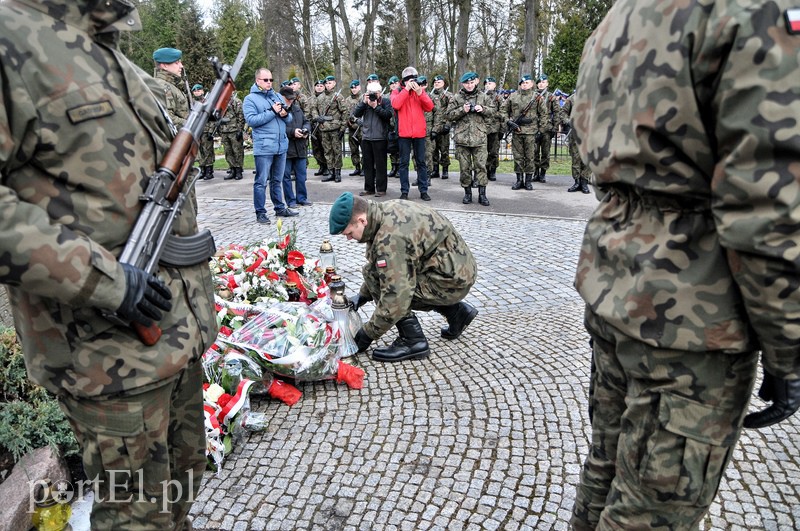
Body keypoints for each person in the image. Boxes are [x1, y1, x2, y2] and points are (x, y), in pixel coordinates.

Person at [570, 1, 800, 529]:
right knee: (652, 511)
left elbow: (588, 142)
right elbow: (769, 207)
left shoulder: (622, 13)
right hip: (693, 314)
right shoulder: (754, 11)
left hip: (613, 279)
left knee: (606, 472)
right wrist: (788, 351)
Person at [0, 2, 219, 529]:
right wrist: (105, 281)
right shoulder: (11, 36)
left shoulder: (107, 48)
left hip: (178, 337)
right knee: (135, 516)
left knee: (183, 489)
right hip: (106, 355)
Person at [328, 192, 479, 362]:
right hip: (451, 269)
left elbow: (395, 297)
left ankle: (413, 340)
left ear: (362, 220)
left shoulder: (390, 238)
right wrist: (362, 296)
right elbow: (377, 267)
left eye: (349, 232)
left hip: (452, 280)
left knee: (393, 292)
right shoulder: (382, 213)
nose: (348, 238)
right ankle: (456, 313)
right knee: (373, 274)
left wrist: (366, 334)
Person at [243, 68, 298, 224]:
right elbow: (252, 121)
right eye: (266, 80)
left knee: (277, 180)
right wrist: (273, 112)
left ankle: (279, 208)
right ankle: (260, 212)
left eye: (271, 80)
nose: (269, 83)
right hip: (264, 146)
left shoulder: (276, 95)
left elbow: (289, 119)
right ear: (258, 81)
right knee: (261, 181)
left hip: (281, 145)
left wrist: (285, 114)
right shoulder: (250, 99)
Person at [447, 71, 495, 206]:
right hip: (462, 139)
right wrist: (463, 110)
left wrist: (483, 109)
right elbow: (449, 115)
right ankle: (467, 194)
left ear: (476, 82)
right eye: (466, 83)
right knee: (464, 168)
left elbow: (493, 112)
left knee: (481, 167)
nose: (469, 85)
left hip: (479, 138)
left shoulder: (483, 97)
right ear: (463, 84)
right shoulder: (456, 98)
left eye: (471, 82)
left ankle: (482, 195)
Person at [392, 66, 434, 201]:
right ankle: (404, 191)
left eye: (414, 80)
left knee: (421, 162)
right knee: (404, 163)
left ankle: (423, 190)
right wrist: (406, 90)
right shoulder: (397, 92)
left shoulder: (419, 91)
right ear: (403, 81)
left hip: (419, 133)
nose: (412, 82)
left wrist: (420, 93)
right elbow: (396, 105)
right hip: (404, 133)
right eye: (409, 80)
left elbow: (429, 107)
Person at [505, 74, 546, 191]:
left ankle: (528, 181)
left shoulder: (537, 97)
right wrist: (509, 122)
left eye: (527, 83)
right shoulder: (513, 97)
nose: (524, 85)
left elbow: (544, 115)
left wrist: (541, 131)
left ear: (532, 84)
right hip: (517, 131)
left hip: (531, 132)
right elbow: (503, 111)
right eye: (522, 83)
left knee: (530, 157)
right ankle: (519, 180)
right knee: (518, 157)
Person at [353, 80, 394, 197]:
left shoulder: (385, 101)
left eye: (374, 92)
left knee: (381, 165)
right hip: (366, 137)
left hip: (380, 137)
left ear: (380, 93)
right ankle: (368, 188)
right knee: (367, 165)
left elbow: (388, 115)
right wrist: (364, 103)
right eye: (370, 92)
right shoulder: (365, 102)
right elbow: (356, 113)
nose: (372, 95)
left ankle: (381, 189)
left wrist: (376, 107)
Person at [280, 86, 313, 208]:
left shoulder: (297, 109)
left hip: (300, 147)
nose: (291, 101)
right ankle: (290, 200)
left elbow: (306, 121)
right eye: (288, 99)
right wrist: (292, 132)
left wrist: (306, 130)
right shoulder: (279, 111)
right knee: (286, 176)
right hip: (287, 148)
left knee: (301, 175)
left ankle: (302, 198)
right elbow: (278, 128)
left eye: (292, 99)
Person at [313, 75, 348, 183]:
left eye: (330, 83)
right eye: (326, 83)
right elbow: (314, 108)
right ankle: (330, 171)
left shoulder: (338, 97)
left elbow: (345, 112)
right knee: (327, 151)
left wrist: (342, 128)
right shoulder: (319, 97)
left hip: (335, 128)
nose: (328, 85)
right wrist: (317, 117)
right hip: (323, 128)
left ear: (334, 84)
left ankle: (337, 172)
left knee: (336, 151)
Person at [153, 46, 190, 130]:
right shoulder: (162, 86)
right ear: (165, 65)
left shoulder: (172, 85)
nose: (181, 66)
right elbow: (167, 118)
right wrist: (191, 123)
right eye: (177, 63)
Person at [560, 92, 590, 194]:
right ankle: (577, 182)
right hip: (575, 133)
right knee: (576, 158)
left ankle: (584, 182)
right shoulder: (572, 98)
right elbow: (563, 112)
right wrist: (569, 121)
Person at [533, 73, 560, 183]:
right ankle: (535, 172)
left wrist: (555, 126)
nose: (541, 84)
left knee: (545, 152)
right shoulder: (533, 96)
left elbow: (557, 112)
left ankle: (543, 173)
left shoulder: (551, 97)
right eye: (539, 82)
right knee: (534, 152)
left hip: (547, 128)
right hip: (534, 127)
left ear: (547, 84)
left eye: (543, 82)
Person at [218, 90, 246, 181]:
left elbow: (240, 116)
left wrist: (240, 129)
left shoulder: (236, 101)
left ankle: (238, 170)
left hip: (234, 130)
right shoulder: (221, 102)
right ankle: (232, 169)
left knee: (237, 151)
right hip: (224, 130)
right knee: (228, 152)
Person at [191, 84, 216, 180]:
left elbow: (212, 118)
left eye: (199, 90)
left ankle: (209, 171)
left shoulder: (207, 103)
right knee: (200, 151)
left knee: (207, 150)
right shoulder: (193, 103)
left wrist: (210, 131)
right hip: (197, 130)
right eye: (195, 91)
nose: (197, 92)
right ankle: (203, 169)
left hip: (206, 130)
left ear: (202, 91)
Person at [430, 75, 453, 179]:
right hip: (433, 126)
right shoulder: (429, 95)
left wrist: (448, 124)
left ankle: (445, 169)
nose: (436, 84)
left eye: (439, 82)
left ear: (443, 83)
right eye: (435, 82)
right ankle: (435, 170)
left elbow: (451, 111)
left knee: (444, 149)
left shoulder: (448, 95)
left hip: (443, 126)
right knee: (433, 149)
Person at [483, 76, 504, 182]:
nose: (488, 85)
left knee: (494, 152)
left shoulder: (498, 98)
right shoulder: (481, 97)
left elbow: (503, 113)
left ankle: (493, 170)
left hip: (495, 129)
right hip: (483, 128)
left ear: (494, 85)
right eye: (486, 84)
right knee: (483, 151)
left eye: (490, 84)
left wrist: (502, 130)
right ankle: (485, 170)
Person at [344, 80, 363, 176]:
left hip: (361, 129)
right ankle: (357, 167)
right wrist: (349, 123)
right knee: (353, 149)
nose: (354, 89)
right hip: (351, 128)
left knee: (364, 149)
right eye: (352, 88)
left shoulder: (363, 98)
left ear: (359, 87)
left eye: (355, 87)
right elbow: (345, 113)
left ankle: (364, 168)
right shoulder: (347, 100)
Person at [311, 79, 329, 177]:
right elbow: (309, 111)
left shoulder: (327, 98)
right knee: (316, 148)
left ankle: (327, 167)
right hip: (314, 127)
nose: (319, 87)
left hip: (324, 126)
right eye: (317, 85)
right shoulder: (311, 99)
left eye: (321, 86)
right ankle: (321, 166)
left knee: (325, 148)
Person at [386, 75, 402, 177]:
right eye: (391, 84)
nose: (393, 85)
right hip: (390, 125)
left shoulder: (402, 94)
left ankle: (400, 168)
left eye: (395, 83)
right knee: (392, 148)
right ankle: (393, 167)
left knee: (401, 148)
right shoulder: (386, 97)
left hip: (400, 125)